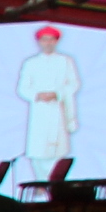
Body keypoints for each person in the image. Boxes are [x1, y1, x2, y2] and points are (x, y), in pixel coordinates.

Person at [18, 25, 81, 185]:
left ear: (56, 41)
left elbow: (74, 84)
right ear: (39, 42)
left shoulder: (65, 61)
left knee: (58, 151)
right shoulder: (31, 63)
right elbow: (23, 88)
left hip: (59, 111)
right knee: (38, 151)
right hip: (39, 112)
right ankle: (41, 185)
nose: (48, 43)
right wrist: (38, 95)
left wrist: (57, 94)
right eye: (44, 40)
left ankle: (57, 186)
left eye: (51, 39)